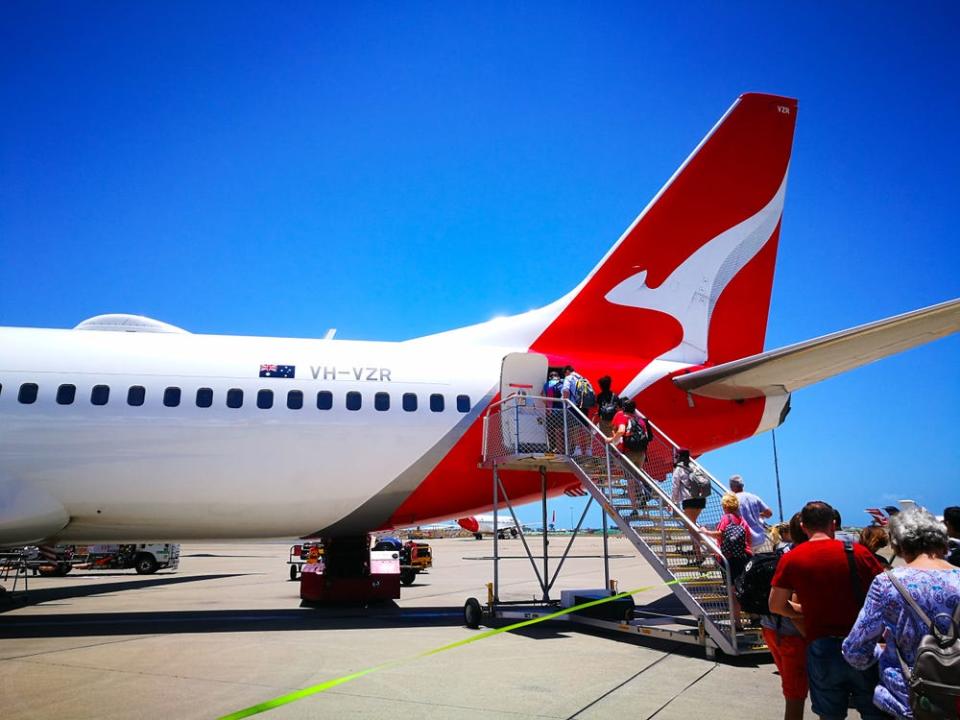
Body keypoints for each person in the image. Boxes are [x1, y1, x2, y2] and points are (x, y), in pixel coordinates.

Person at [769, 500, 886, 720]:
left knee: (829, 715)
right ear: (833, 524)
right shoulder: (859, 553)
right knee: (874, 712)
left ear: (803, 526)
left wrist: (805, 613)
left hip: (821, 646)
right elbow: (887, 595)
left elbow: (776, 605)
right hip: (862, 643)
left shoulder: (792, 558)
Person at [842, 507, 960, 718]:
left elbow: (855, 652)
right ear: (943, 541)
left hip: (907, 702)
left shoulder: (888, 583)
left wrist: (882, 650)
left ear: (898, 545)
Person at [760, 515, 809, 720]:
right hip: (791, 632)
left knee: (792, 690)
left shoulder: (779, 552)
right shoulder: (800, 558)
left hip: (769, 627)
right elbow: (792, 602)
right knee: (795, 694)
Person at [702, 492, 752, 628]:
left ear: (725, 506)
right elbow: (749, 538)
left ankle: (737, 622)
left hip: (729, 559)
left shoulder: (726, 518)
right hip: (743, 556)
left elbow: (720, 534)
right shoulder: (741, 519)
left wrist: (705, 532)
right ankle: (752, 615)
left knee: (732, 591)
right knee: (742, 588)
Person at [607, 398, 651, 513]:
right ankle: (643, 494)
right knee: (636, 475)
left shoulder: (623, 417)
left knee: (630, 481)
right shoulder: (640, 420)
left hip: (629, 452)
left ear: (624, 408)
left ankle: (634, 508)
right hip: (641, 453)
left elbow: (621, 431)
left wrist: (611, 440)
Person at [671, 448, 711, 561]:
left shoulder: (678, 469)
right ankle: (696, 549)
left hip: (689, 500)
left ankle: (699, 555)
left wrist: (673, 501)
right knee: (691, 525)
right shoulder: (695, 466)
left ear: (678, 456)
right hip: (701, 498)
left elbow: (675, 487)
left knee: (692, 528)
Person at [730, 475, 774, 553]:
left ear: (732, 487)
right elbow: (769, 513)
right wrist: (758, 515)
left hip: (745, 539)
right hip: (760, 538)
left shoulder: (733, 500)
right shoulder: (754, 497)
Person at [542, 370, 564, 452]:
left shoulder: (547, 384)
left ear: (549, 377)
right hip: (562, 410)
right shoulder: (562, 383)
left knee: (552, 430)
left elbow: (542, 395)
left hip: (551, 411)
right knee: (560, 431)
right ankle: (561, 448)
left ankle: (555, 448)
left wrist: (547, 405)